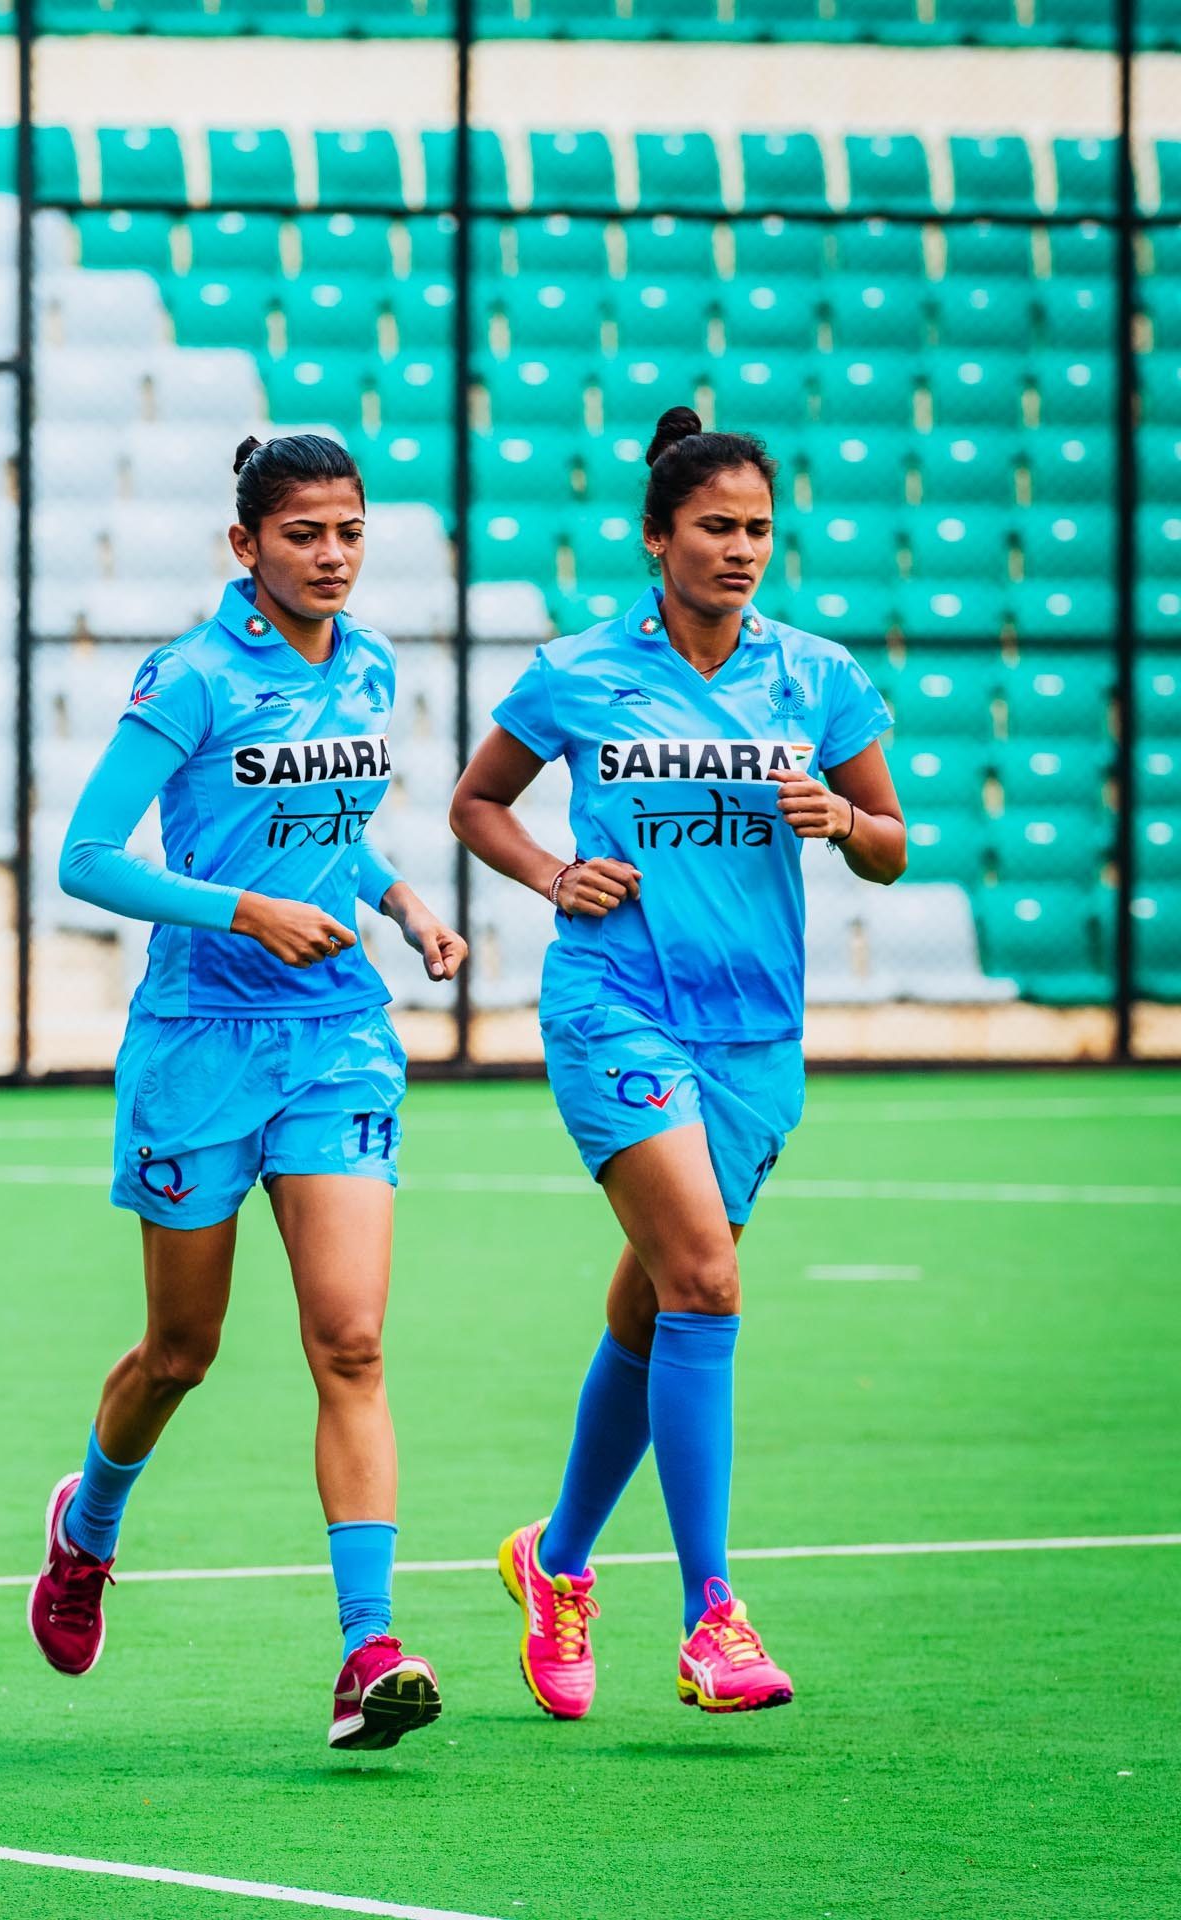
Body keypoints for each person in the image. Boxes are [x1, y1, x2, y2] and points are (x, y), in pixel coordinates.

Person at [450, 406, 906, 1719]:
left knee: (658, 1301)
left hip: (756, 1033)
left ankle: (557, 1560)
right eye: (717, 526)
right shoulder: (579, 670)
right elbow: (479, 802)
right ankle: (712, 1616)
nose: (742, 549)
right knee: (703, 1280)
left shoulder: (815, 677)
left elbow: (893, 843)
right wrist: (552, 870)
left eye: (759, 528)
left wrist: (841, 821)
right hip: (616, 1006)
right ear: (659, 537)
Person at [27, 434, 469, 1752]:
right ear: (246, 547)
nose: (331, 557)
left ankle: (366, 1649)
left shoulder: (374, 663)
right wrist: (244, 911)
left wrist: (399, 900)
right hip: (199, 1045)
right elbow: (89, 859)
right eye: (303, 536)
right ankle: (86, 1530)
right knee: (183, 1353)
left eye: (348, 533)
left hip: (338, 1036)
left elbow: (344, 823)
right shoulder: (195, 678)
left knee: (350, 1341)